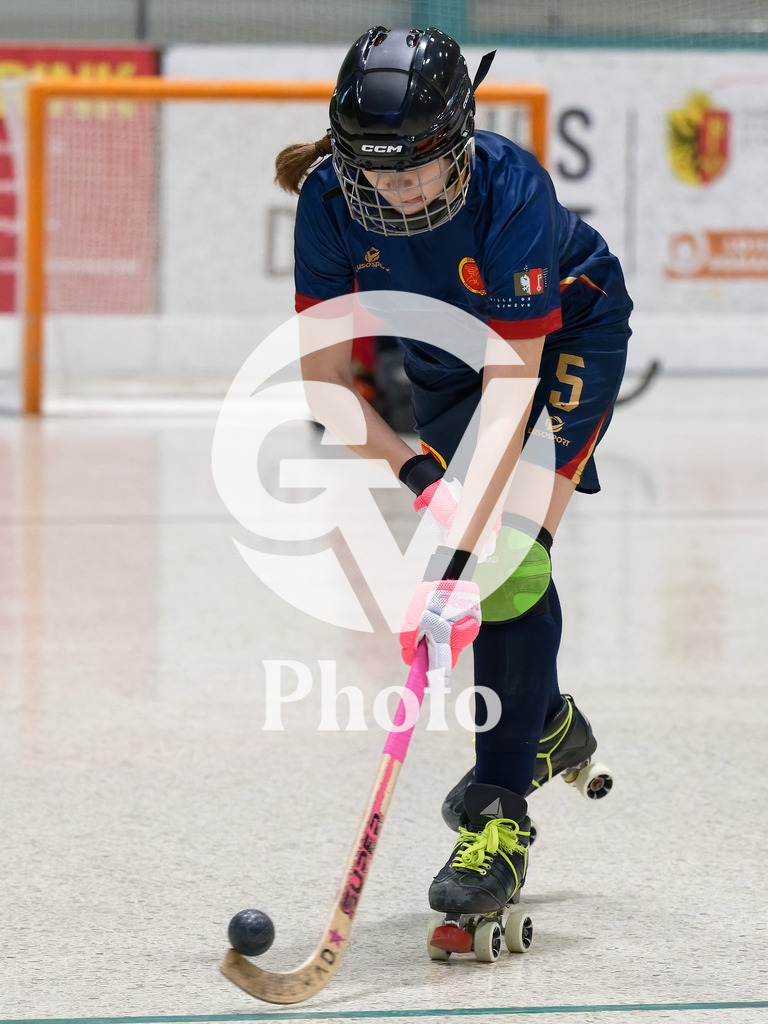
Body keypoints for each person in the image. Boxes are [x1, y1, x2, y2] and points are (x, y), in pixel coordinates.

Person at [275, 26, 631, 938]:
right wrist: (423, 476)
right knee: (487, 561)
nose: (393, 191)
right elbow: (327, 389)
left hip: (561, 343)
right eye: (374, 169)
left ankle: (497, 820)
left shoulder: (513, 189)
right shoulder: (327, 201)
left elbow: (514, 387)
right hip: (443, 365)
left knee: (508, 564)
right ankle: (543, 716)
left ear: (460, 139)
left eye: (416, 170)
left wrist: (457, 552)